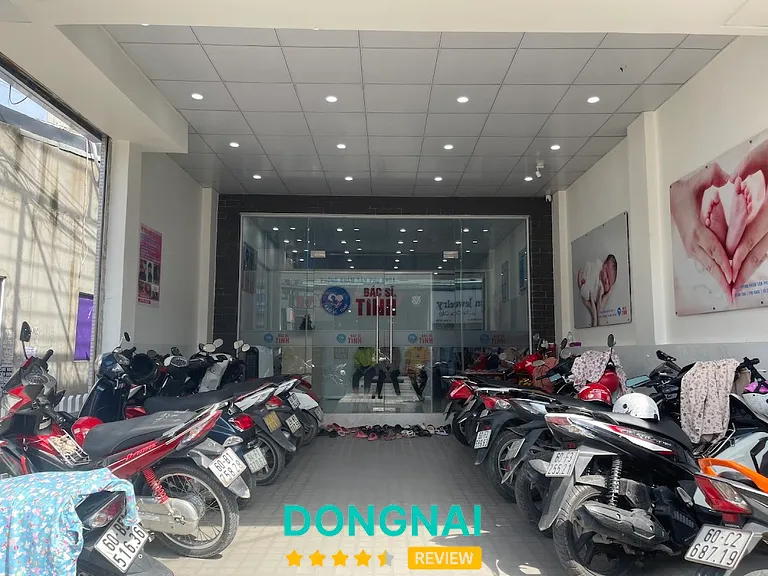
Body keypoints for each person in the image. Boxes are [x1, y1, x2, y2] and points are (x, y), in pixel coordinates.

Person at [577, 254, 617, 327]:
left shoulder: (603, 289)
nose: (606, 281)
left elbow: (606, 292)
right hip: (590, 293)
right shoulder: (597, 267)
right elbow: (589, 269)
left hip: (595, 299)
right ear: (603, 265)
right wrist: (582, 282)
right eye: (607, 274)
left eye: (609, 282)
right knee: (584, 290)